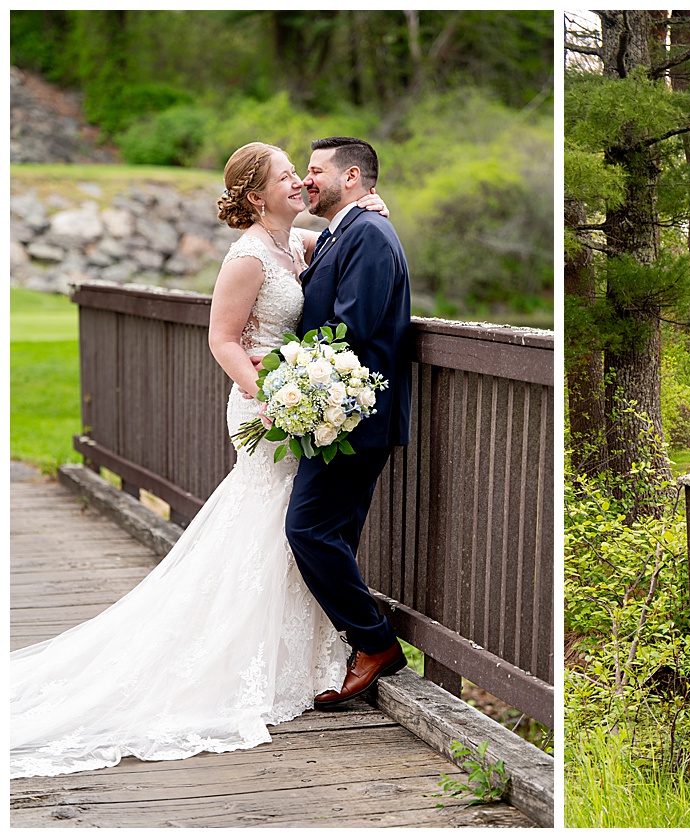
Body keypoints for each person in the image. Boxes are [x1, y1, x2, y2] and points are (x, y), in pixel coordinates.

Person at [11, 142, 391, 778]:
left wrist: (368, 206)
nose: (299, 181)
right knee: (276, 525)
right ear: (254, 196)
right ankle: (255, 658)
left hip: (298, 399)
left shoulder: (295, 246)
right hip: (267, 406)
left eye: (302, 173)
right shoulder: (246, 258)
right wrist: (267, 394)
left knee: (283, 529)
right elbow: (221, 338)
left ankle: (300, 655)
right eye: (285, 176)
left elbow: (337, 246)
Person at [287, 136, 414, 709]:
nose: (308, 180)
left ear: (353, 177)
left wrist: (291, 373)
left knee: (308, 529)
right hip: (339, 413)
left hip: (356, 415)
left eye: (315, 171)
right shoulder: (348, 229)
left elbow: (353, 329)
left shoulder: (367, 232)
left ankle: (375, 643)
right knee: (332, 533)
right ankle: (348, 643)